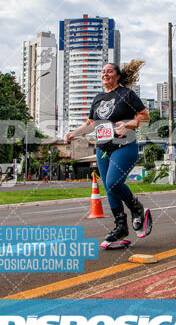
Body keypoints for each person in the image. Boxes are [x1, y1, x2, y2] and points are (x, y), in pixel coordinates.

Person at [64, 60, 151, 243]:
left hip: (124, 146)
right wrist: (73, 133)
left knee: (112, 182)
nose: (105, 74)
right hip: (103, 149)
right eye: (103, 71)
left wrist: (127, 124)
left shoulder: (127, 94)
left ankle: (137, 209)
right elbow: (91, 125)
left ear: (118, 76)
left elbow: (144, 117)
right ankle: (121, 227)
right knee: (109, 188)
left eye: (109, 71)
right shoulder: (97, 99)